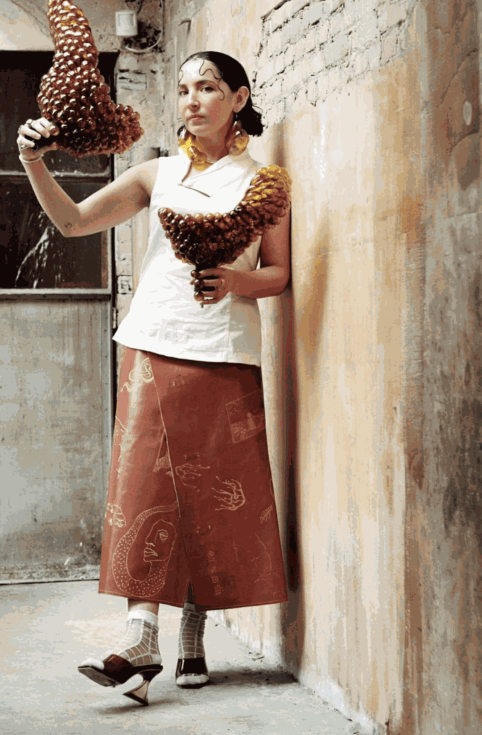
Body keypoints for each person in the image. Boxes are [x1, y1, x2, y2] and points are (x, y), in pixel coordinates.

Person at [17, 50, 291, 706]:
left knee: (206, 499)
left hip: (224, 352)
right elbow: (74, 221)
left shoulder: (265, 185)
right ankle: (141, 640)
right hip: (148, 343)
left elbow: (280, 276)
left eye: (208, 87)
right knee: (146, 491)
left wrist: (231, 280)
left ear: (239, 97)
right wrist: (32, 160)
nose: (192, 99)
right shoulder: (158, 175)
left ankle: (192, 627)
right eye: (185, 89)